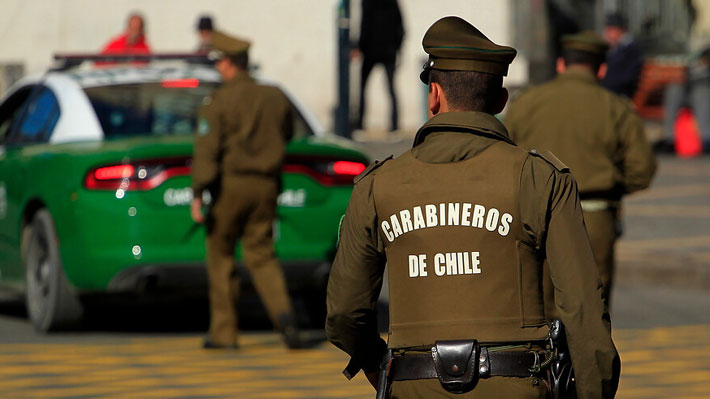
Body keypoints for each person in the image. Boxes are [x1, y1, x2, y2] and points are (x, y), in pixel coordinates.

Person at [327, 17, 620, 399]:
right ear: (500, 100)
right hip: (519, 386)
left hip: (414, 386)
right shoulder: (538, 177)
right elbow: (582, 309)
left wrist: (378, 364)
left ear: (434, 95)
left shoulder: (377, 186)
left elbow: (344, 312)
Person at [505, 31, 656, 307]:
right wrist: (611, 185)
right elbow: (641, 170)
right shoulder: (616, 108)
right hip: (594, 218)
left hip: (536, 218)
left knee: (539, 312)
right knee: (589, 312)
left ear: (560, 64)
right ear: (602, 68)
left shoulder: (525, 102)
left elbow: (503, 157)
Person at [190, 31, 301, 349]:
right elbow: (289, 132)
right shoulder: (274, 95)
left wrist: (198, 193)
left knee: (222, 255)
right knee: (262, 254)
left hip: (230, 186)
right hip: (266, 186)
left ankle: (224, 333)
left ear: (227, 65)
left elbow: (207, 152)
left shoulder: (219, 101)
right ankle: (284, 317)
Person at [354, 0, 404, 132]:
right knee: (391, 88)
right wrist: (397, 49)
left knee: (363, 87)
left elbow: (365, 25)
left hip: (371, 51)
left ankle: (360, 123)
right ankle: (394, 124)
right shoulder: (392, 3)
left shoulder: (367, 2)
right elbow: (400, 28)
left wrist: (360, 47)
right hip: (388, 51)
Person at [600, 13, 643, 98]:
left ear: (621, 30)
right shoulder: (613, 49)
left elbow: (626, 78)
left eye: (611, 30)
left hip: (620, 93)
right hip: (611, 90)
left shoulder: (629, 49)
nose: (607, 34)